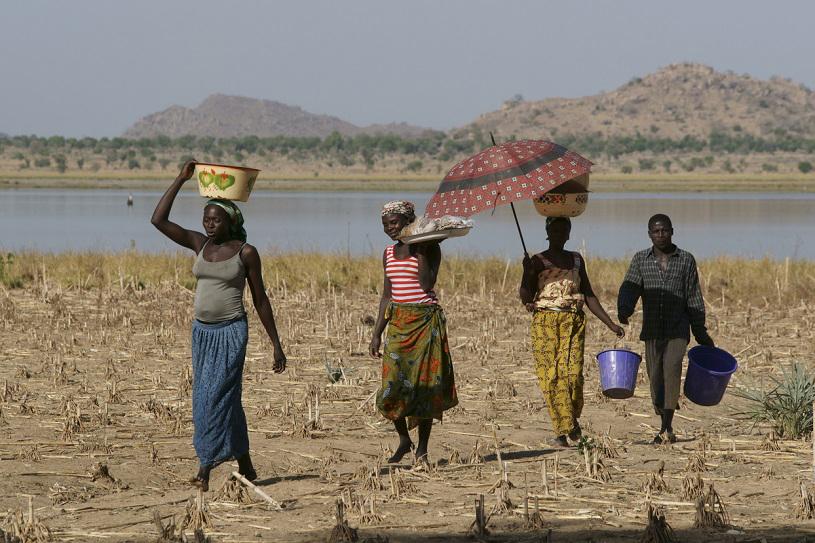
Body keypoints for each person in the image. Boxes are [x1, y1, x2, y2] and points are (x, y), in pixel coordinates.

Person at [151, 160, 287, 490]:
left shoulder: (246, 253)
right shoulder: (200, 244)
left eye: (216, 219)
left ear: (231, 221)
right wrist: (180, 179)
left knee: (212, 398)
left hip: (230, 332)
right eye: (206, 219)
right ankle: (247, 465)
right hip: (202, 333)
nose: (209, 224)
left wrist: (276, 344)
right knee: (223, 398)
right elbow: (158, 220)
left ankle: (205, 467)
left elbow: (261, 299)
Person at [519, 216, 624, 448]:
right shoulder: (537, 261)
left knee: (574, 375)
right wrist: (527, 272)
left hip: (573, 322)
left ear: (569, 233)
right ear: (548, 232)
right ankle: (563, 431)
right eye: (554, 230)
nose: (559, 234)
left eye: (563, 230)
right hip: (545, 323)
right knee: (551, 377)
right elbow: (526, 296)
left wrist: (610, 324)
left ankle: (570, 421)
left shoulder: (576, 260)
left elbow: (589, 294)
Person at [369, 201, 458, 465]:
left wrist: (420, 249)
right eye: (385, 225)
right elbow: (387, 295)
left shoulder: (431, 249)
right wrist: (377, 333)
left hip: (425, 322)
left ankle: (422, 449)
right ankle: (404, 440)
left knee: (425, 386)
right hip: (398, 323)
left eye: (394, 223)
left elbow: (426, 283)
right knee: (391, 386)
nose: (389, 228)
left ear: (409, 222)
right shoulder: (388, 253)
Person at [617, 213, 714, 444]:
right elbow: (630, 287)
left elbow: (693, 296)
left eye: (665, 230)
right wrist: (624, 309)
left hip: (677, 329)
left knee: (671, 371)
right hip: (652, 329)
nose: (661, 235)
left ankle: (666, 426)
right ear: (649, 234)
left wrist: (700, 332)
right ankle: (664, 417)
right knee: (655, 378)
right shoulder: (641, 260)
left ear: (672, 231)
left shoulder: (685, 260)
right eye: (656, 231)